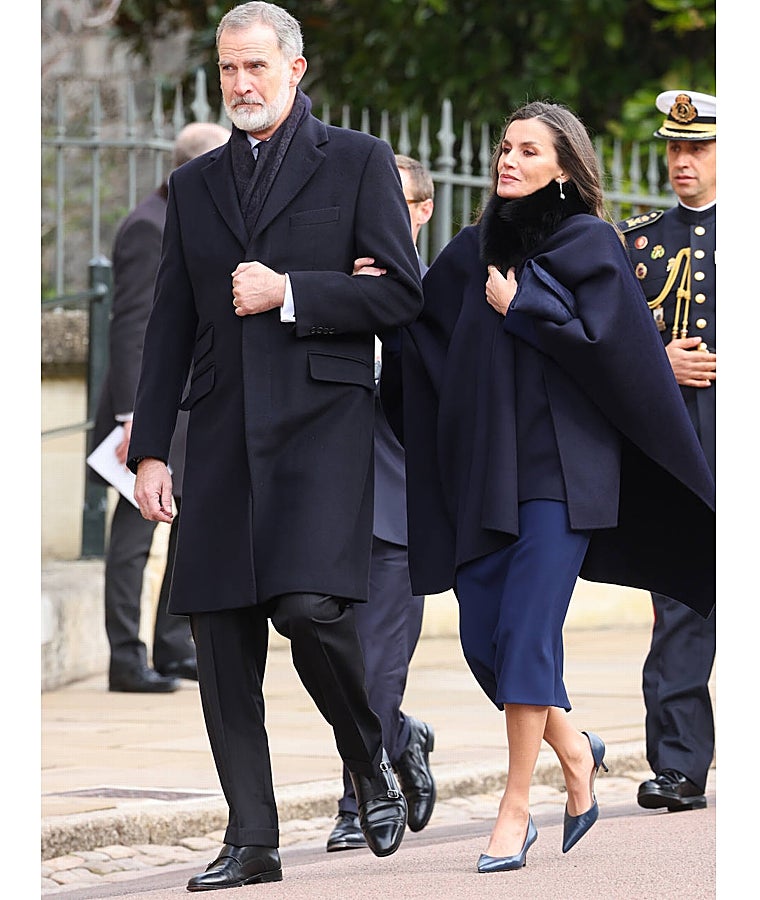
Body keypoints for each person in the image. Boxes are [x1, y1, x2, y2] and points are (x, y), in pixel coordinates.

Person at [127, 2, 423, 891]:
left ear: (297, 69)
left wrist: (291, 290)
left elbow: (401, 295)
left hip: (321, 429)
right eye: (228, 70)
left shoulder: (361, 162)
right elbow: (170, 322)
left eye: (256, 66)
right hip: (219, 434)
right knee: (219, 633)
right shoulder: (196, 185)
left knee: (307, 609)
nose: (242, 85)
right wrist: (149, 450)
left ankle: (370, 753)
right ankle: (252, 839)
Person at [379, 100, 715, 873]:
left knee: (528, 634)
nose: (509, 160)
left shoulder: (592, 242)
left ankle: (514, 810)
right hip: (487, 475)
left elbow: (615, 350)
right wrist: (376, 283)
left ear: (564, 166)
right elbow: (421, 330)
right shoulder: (473, 249)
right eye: (504, 147)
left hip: (564, 477)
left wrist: (525, 305)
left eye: (529, 150)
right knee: (482, 640)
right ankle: (574, 747)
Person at [88, 121, 231, 693]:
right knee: (132, 537)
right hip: (143, 413)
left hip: (188, 407)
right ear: (194, 167)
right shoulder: (147, 226)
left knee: (185, 528)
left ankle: (173, 647)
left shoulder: (188, 217)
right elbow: (132, 330)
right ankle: (126, 658)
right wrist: (129, 417)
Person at [326, 155, 436, 853]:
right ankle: (403, 737)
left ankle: (357, 797)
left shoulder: (436, 295)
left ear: (422, 211)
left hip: (399, 506)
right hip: (328, 506)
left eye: (393, 202)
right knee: (333, 659)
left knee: (376, 663)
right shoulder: (335, 286)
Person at [618, 90, 716, 813]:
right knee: (681, 603)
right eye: (675, 149)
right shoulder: (640, 243)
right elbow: (610, 346)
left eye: (699, 148)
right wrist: (662, 362)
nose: (683, 161)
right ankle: (678, 766)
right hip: (679, 447)